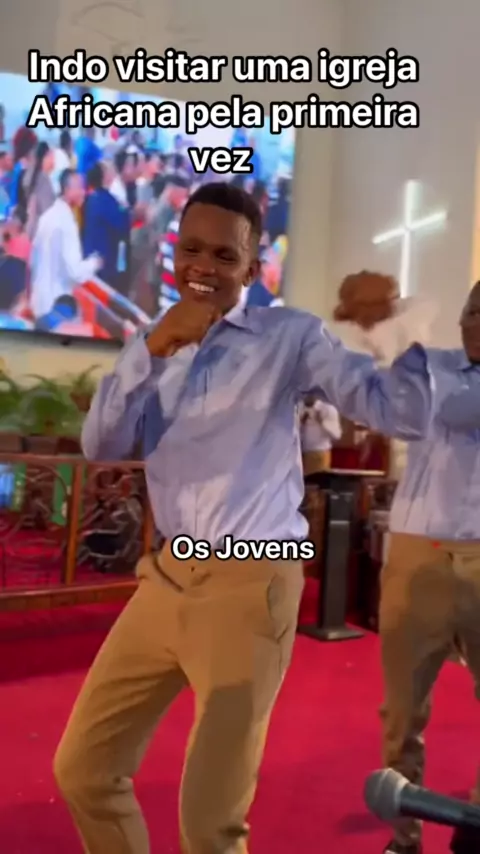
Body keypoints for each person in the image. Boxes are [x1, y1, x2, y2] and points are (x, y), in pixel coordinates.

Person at [53, 182, 434, 854]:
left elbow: (397, 411)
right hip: (166, 576)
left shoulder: (289, 337)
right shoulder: (153, 341)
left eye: (225, 256)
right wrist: (152, 351)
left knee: (210, 824)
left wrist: (395, 333)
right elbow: (102, 446)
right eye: (192, 250)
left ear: (252, 269)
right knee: (83, 768)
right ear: (174, 253)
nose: (204, 266)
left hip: (251, 583)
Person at [377, 281, 480, 854]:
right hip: (419, 554)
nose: (476, 321)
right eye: (472, 309)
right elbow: (429, 408)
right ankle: (404, 837)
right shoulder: (430, 366)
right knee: (402, 712)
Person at [30, 169, 102, 320]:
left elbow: (33, 262)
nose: (84, 192)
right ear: (67, 190)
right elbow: (75, 271)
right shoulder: (66, 223)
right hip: (57, 307)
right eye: (80, 187)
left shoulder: (47, 217)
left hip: (39, 303)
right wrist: (95, 263)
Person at [299, 394, 341, 476]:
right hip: (300, 454)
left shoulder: (328, 408)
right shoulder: (298, 407)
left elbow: (337, 435)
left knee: (317, 481)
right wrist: (300, 423)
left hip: (319, 453)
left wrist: (322, 422)